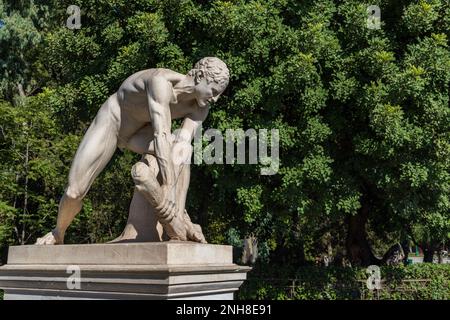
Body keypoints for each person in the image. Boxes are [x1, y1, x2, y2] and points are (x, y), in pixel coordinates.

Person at [36, 57, 229, 245]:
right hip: (113, 122)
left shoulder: (200, 109)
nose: (216, 98)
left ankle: (178, 217)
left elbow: (182, 146)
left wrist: (171, 201)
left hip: (138, 135)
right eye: (213, 90)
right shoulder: (160, 81)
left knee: (181, 148)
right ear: (200, 76)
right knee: (74, 192)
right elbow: (160, 134)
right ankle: (58, 232)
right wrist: (167, 187)